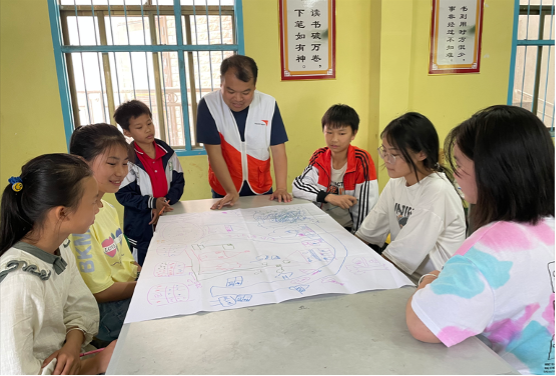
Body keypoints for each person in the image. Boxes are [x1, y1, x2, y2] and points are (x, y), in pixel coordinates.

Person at [406, 105, 555, 375]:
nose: (455, 176)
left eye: (459, 165)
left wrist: (429, 280)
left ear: (493, 172)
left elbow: (424, 325)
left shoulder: (493, 246)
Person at [0, 154, 115, 375]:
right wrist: (96, 364)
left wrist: (72, 344)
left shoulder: (60, 247)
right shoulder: (19, 283)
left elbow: (80, 305)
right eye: (93, 201)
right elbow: (15, 370)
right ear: (62, 213)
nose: (99, 206)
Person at [356, 112, 466, 281]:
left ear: (421, 154)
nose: (386, 159)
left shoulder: (437, 190)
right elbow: (368, 232)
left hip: (433, 284)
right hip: (404, 275)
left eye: (394, 154)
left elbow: (404, 253)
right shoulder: (396, 183)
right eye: (384, 151)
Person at [69, 123, 139, 344]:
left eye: (125, 163)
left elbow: (125, 262)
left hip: (125, 290)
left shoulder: (106, 208)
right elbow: (99, 292)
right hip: (105, 309)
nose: (121, 172)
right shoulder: (80, 222)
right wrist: (146, 286)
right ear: (82, 163)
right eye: (111, 163)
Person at [196, 54, 292, 210]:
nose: (238, 99)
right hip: (225, 189)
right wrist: (230, 191)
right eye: (230, 91)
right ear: (221, 82)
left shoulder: (268, 104)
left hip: (261, 187)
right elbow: (214, 153)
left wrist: (281, 187)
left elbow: (278, 149)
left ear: (255, 85)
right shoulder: (208, 105)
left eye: (246, 92)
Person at [114, 100, 185, 265]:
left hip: (168, 216)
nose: (147, 129)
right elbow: (123, 195)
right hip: (141, 225)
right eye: (139, 127)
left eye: (149, 123)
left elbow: (179, 182)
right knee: (144, 267)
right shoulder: (127, 159)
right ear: (127, 132)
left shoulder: (166, 152)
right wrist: (152, 203)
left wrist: (165, 202)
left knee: (171, 261)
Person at [292, 104, 379, 232]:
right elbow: (298, 186)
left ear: (353, 134)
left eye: (342, 133)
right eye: (329, 132)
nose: (334, 139)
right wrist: (329, 197)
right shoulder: (320, 155)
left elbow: (366, 206)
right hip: (320, 225)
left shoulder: (361, 159)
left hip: (348, 229)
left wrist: (358, 238)